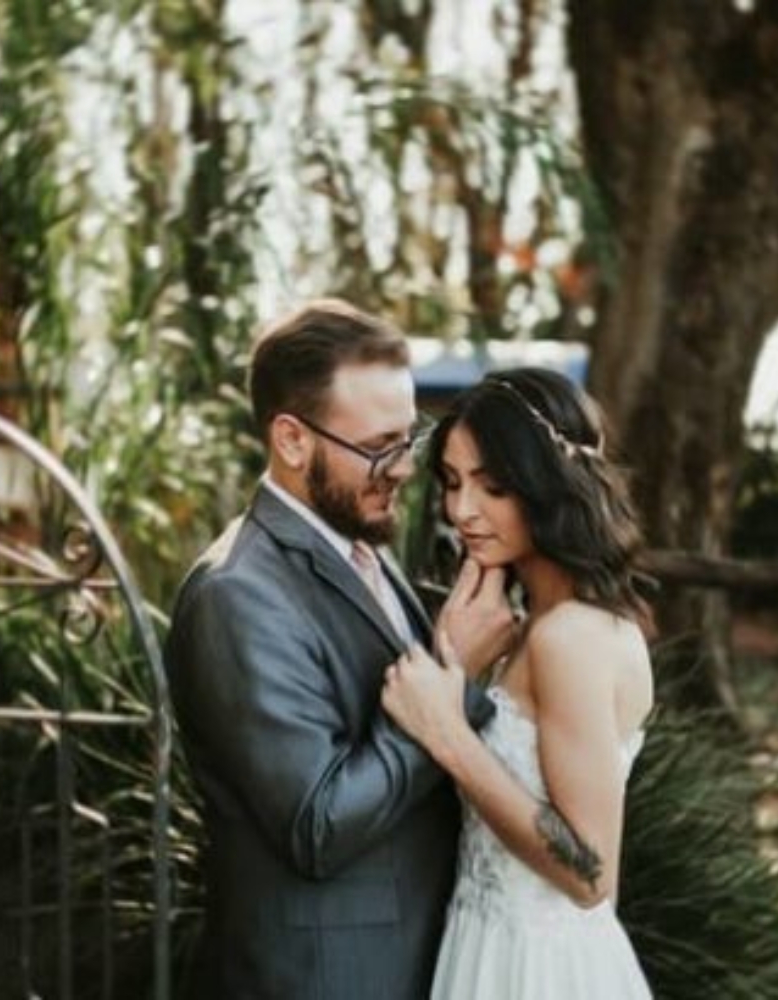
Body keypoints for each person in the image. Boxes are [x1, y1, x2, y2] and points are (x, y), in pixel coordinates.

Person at [164, 299, 517, 1000]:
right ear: (292, 440)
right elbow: (317, 826)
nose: (404, 469)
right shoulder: (236, 594)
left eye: (408, 438)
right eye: (379, 447)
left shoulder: (359, 547)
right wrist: (455, 673)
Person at [380, 367, 656, 999]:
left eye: (493, 486)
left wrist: (449, 735)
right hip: (480, 944)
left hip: (539, 970)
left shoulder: (572, 639)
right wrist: (461, 665)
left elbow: (591, 874)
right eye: (451, 483)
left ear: (550, 486)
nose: (461, 511)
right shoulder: (535, 625)